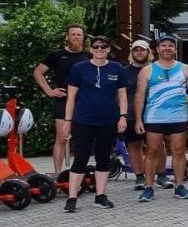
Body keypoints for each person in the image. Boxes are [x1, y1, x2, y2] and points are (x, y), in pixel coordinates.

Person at [62, 35, 127, 213]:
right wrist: (68, 120)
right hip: (84, 120)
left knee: (103, 158)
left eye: (103, 46)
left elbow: (122, 96)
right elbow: (71, 97)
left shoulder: (117, 69)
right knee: (80, 158)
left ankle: (100, 196)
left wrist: (123, 116)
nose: (100, 49)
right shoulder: (79, 68)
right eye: (96, 46)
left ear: (108, 50)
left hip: (108, 120)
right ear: (91, 49)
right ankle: (72, 198)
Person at [135, 34, 188, 202]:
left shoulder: (185, 69)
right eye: (164, 45)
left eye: (171, 45)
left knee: (179, 152)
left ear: (175, 49)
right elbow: (140, 96)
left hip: (178, 117)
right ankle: (149, 187)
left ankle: (179, 187)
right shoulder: (147, 70)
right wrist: (138, 120)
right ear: (157, 49)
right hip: (154, 118)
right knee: (151, 152)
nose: (167, 48)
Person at [34, 22, 90, 175]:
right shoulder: (57, 55)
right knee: (61, 138)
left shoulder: (89, 56)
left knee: (82, 140)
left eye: (79, 34)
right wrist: (49, 91)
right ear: (67, 36)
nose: (76, 37)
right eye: (73, 34)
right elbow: (38, 72)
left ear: (83, 37)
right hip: (63, 101)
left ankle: (79, 173)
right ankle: (58, 174)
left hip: (83, 102)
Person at [122, 39, 153, 189]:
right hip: (130, 114)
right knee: (134, 145)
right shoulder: (124, 71)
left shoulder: (156, 69)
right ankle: (140, 177)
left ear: (148, 52)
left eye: (142, 50)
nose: (139, 52)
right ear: (132, 53)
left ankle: (160, 175)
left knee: (156, 146)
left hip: (153, 114)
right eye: (136, 50)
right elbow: (118, 94)